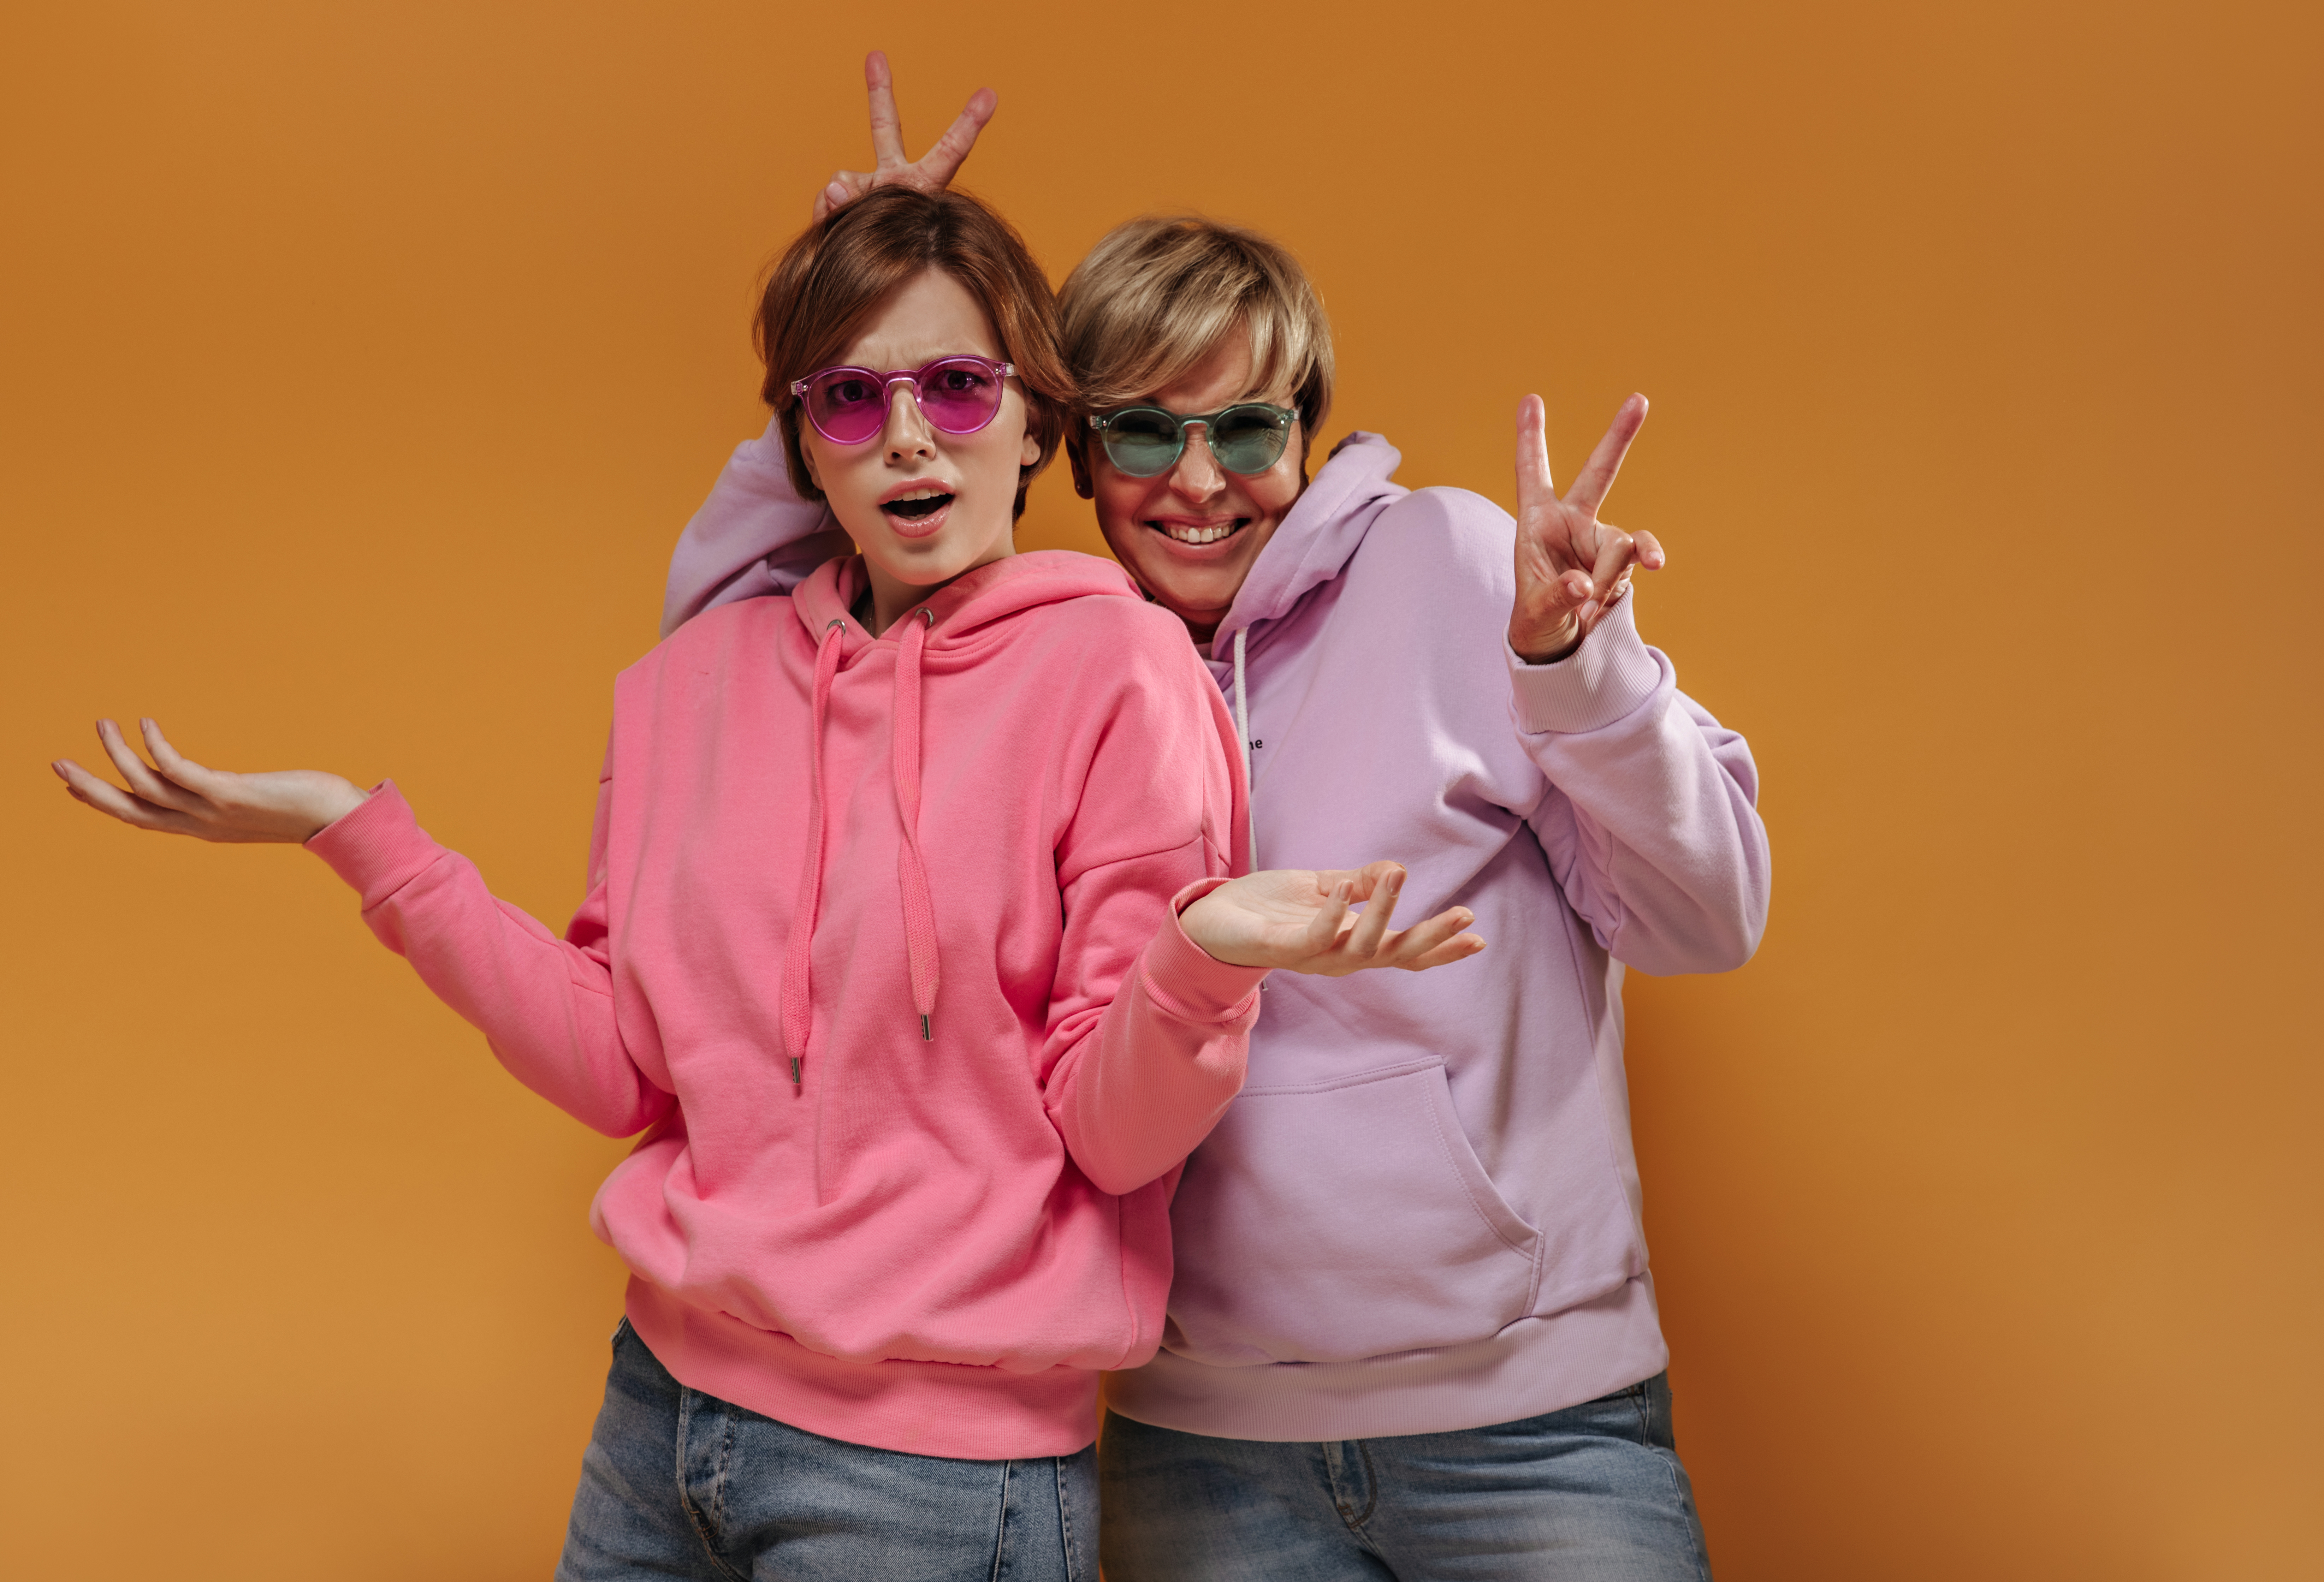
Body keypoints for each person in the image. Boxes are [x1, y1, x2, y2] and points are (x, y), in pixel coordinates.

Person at [52, 184, 1482, 1581]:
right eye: (852, 397)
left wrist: (1202, 958)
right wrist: (361, 836)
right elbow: (622, 1064)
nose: (910, 434)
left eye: (959, 385)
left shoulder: (1120, 674)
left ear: (1038, 417)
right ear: (803, 442)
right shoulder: (693, 684)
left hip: (934, 1481)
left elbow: (1114, 1141)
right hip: (658, 1416)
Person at [662, 57, 1771, 1582]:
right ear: (1072, 442)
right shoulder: (1053, 658)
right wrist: (879, 330)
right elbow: (729, 663)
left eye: (1246, 432)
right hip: (1196, 1441)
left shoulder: (1459, 569)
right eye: (1141, 435)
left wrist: (1578, 672)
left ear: (1307, 432)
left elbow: (1708, 918)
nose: (1199, 484)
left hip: (1532, 1422)